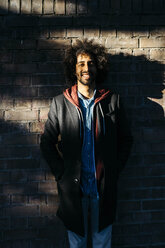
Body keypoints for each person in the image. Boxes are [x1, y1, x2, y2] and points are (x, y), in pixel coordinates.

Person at [40, 39, 133, 248]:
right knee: (77, 245)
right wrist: (61, 173)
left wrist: (114, 170)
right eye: (81, 64)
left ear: (97, 66)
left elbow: (126, 139)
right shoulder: (61, 103)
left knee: (102, 244)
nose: (86, 68)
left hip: (103, 188)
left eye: (90, 63)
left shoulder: (112, 101)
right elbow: (47, 142)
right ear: (74, 69)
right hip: (74, 192)